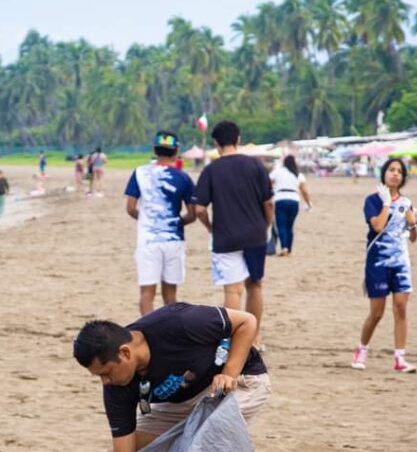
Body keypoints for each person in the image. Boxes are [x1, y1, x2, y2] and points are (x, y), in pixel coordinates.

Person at [73, 303, 270, 452]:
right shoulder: (116, 386)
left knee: (197, 447)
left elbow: (246, 321)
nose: (105, 382)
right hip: (182, 401)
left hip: (240, 382)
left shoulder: (179, 322)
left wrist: (228, 373)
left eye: (106, 372)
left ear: (125, 353)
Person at [193, 120, 273, 338]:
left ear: (216, 143)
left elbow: (199, 209)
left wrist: (210, 227)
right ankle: (254, 339)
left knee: (232, 290)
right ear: (238, 139)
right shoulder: (256, 166)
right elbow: (269, 203)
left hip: (225, 236)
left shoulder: (211, 170)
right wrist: (265, 224)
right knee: (254, 286)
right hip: (255, 234)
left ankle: (235, 339)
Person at [351, 157, 417, 373]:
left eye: (399, 171)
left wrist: (413, 222)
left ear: (403, 177)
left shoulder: (407, 202)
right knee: (377, 312)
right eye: (391, 170)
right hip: (377, 262)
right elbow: (378, 226)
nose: (395, 174)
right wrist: (387, 203)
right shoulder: (373, 200)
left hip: (400, 263)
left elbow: (413, 237)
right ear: (384, 174)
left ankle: (400, 358)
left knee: (400, 308)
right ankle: (361, 349)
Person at [124, 130, 197, 315]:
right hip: (173, 239)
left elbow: (131, 208)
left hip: (148, 239)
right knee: (170, 295)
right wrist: (176, 223)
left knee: (147, 293)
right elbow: (192, 214)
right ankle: (169, 335)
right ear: (176, 151)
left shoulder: (139, 173)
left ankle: (148, 336)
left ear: (155, 150)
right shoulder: (183, 178)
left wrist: (147, 221)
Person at [270, 155, 312, 255]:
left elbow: (268, 183)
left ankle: (284, 247)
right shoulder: (298, 174)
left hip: (280, 199)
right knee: (290, 226)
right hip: (294, 200)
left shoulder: (277, 172)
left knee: (281, 225)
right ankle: (289, 248)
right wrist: (308, 203)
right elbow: (304, 191)